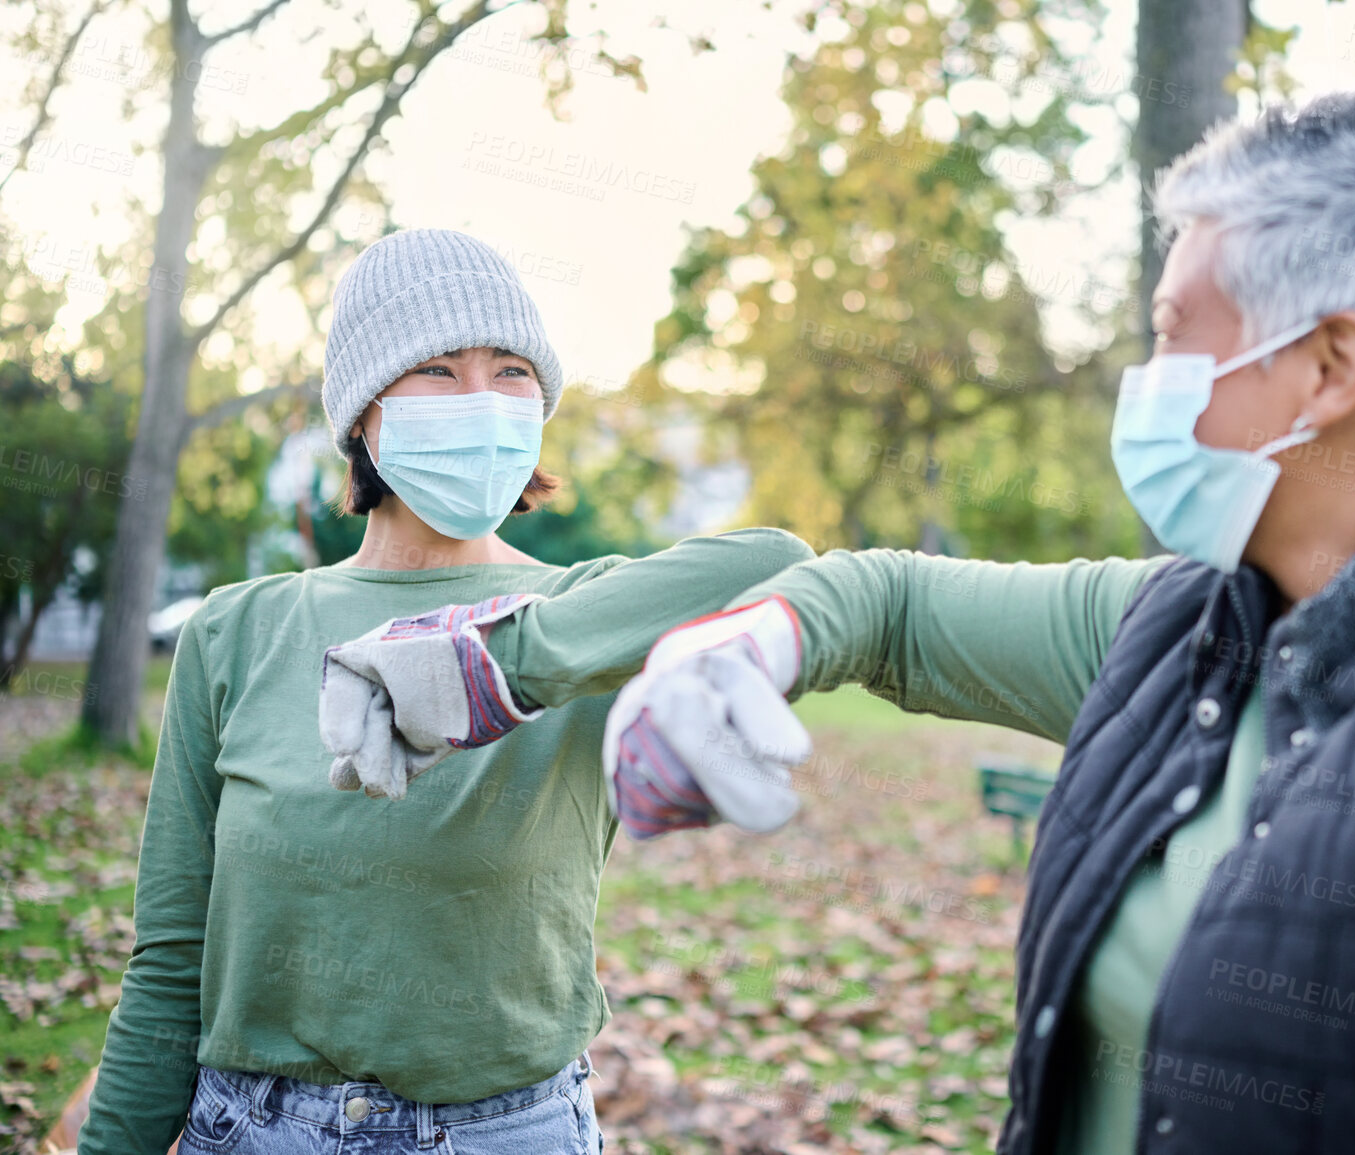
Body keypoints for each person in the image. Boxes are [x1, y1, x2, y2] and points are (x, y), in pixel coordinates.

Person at [596, 91, 1355, 1153]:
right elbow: (885, 605)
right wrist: (731, 646)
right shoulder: (1171, 630)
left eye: (1173, 331)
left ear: (1332, 366)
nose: (1147, 382)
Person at [75, 228, 813, 1155]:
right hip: (255, 1131)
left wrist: (497, 662)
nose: (481, 401)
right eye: (436, 369)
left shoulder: (585, 614)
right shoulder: (236, 629)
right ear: (362, 415)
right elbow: (171, 957)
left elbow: (782, 565)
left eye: (510, 372)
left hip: (510, 1132)